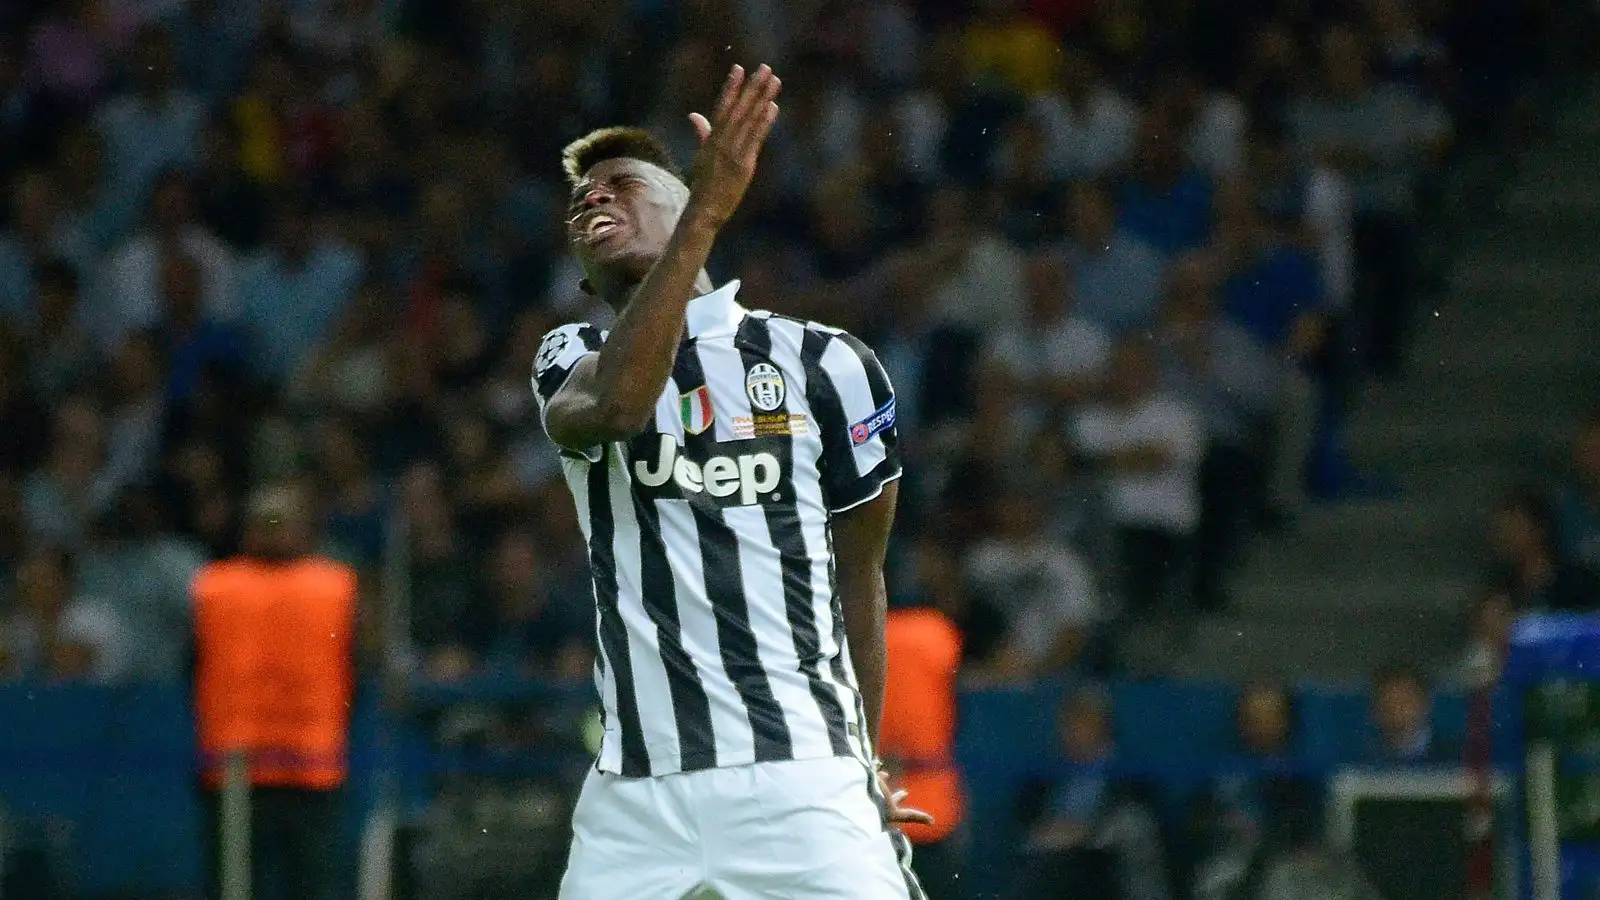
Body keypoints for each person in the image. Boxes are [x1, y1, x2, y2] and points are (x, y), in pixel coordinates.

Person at [533, 65, 931, 899]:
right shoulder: (568, 358)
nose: (592, 202)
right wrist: (704, 218)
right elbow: (616, 409)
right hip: (634, 795)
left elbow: (861, 570)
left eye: (622, 185)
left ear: (683, 203)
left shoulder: (830, 363)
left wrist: (861, 760)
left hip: (800, 781)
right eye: (580, 202)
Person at [191, 482, 358, 900]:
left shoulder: (213, 586)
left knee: (237, 884)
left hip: (239, 764)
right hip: (309, 763)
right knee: (313, 884)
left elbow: (190, 665)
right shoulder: (335, 585)